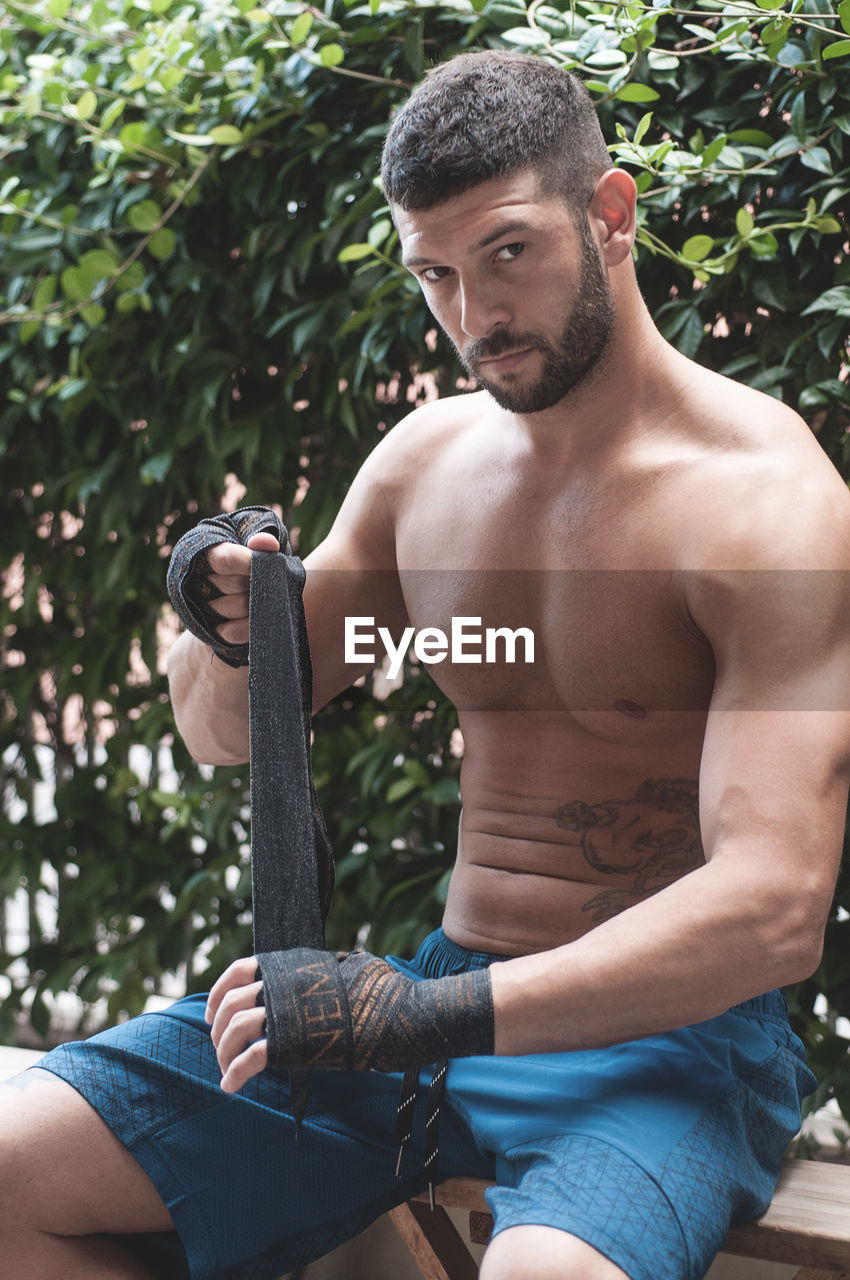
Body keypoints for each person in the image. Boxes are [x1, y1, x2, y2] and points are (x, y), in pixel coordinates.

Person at [2, 49, 849, 1280]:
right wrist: (223, 623)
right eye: (435, 274)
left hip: (665, 1044)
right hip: (431, 1002)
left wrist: (411, 1015)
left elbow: (773, 910)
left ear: (608, 214)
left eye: (507, 251)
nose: (474, 313)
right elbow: (224, 729)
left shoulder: (766, 507)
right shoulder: (427, 466)